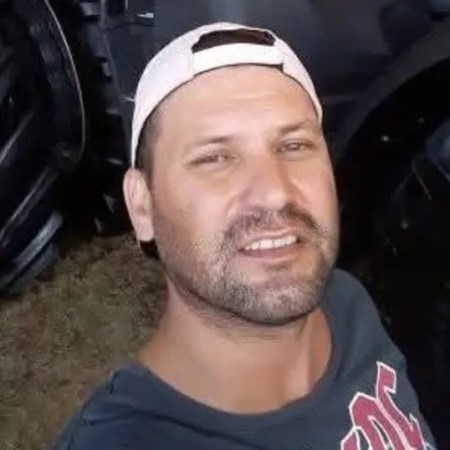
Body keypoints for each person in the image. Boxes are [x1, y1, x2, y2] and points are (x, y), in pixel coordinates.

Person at [51, 22, 437, 450]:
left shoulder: (346, 305)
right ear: (142, 206)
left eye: (294, 146)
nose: (275, 192)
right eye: (216, 158)